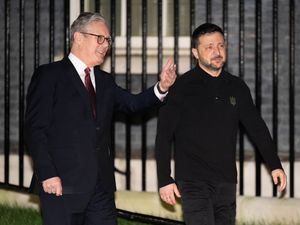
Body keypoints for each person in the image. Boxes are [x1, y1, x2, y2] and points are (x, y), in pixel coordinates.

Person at [25, 12, 176, 225]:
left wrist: (162, 88)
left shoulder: (104, 81)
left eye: (108, 40)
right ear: (78, 37)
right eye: (100, 38)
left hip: (101, 187)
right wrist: (47, 173)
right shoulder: (50, 75)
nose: (106, 45)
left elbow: (132, 104)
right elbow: (35, 129)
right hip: (61, 185)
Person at [155, 23, 287, 225]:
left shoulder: (237, 86)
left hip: (226, 180)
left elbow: (256, 127)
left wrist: (275, 164)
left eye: (220, 45)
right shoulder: (181, 87)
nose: (216, 52)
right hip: (193, 180)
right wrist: (164, 178)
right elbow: (163, 135)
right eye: (209, 47)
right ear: (195, 53)